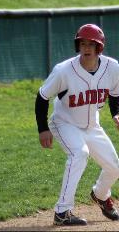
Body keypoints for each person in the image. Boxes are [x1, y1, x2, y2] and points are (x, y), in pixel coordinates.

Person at [35, 24, 119, 226]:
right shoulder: (64, 70)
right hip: (64, 123)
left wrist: (116, 113)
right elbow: (42, 96)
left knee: (115, 168)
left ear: (100, 47)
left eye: (92, 44)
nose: (87, 48)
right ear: (78, 45)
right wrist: (43, 129)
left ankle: (100, 195)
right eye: (83, 43)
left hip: (92, 126)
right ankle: (62, 212)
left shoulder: (113, 68)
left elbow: (116, 95)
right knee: (79, 154)